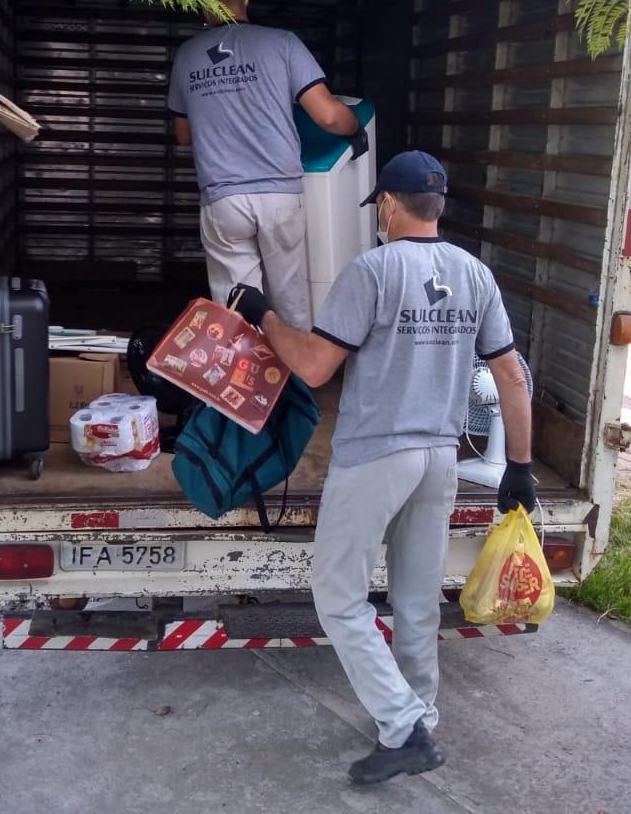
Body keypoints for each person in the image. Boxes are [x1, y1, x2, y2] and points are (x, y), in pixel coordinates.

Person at [228, 150, 536, 785]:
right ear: (438, 206)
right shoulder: (475, 274)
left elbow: (314, 367)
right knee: (418, 599)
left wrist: (261, 314)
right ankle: (420, 716)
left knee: (338, 596)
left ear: (389, 206)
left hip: (376, 456)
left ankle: (402, 727)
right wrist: (520, 467)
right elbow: (511, 375)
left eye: (379, 207)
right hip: (439, 457)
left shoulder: (372, 271)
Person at [168, 0, 366, 329]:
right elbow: (328, 115)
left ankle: (244, 365)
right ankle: (294, 364)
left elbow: (183, 134)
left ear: (202, 5)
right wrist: (357, 129)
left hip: (223, 198)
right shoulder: (282, 43)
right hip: (279, 195)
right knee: (289, 300)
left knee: (237, 308)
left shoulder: (187, 55)